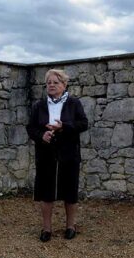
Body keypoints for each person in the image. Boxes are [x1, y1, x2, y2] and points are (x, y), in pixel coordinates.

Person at [26, 69, 88, 242]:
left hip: (69, 154)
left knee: (70, 191)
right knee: (46, 192)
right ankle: (46, 229)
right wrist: (41, 136)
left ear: (64, 85)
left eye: (55, 82)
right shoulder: (39, 106)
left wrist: (64, 127)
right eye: (49, 83)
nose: (51, 85)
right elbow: (31, 128)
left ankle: (70, 226)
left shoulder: (74, 103)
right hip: (46, 154)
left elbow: (83, 124)